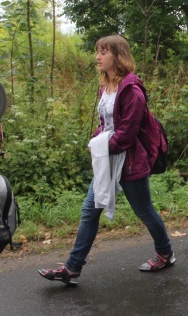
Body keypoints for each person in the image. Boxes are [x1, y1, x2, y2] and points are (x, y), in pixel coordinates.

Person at [38, 35, 175, 284]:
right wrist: (95, 140)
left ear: (118, 56)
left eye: (104, 52)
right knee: (90, 211)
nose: (98, 57)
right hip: (107, 161)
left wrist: (98, 146)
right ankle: (72, 268)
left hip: (131, 162)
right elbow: (105, 125)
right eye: (98, 52)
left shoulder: (132, 91)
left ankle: (165, 253)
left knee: (144, 211)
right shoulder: (105, 86)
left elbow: (125, 136)